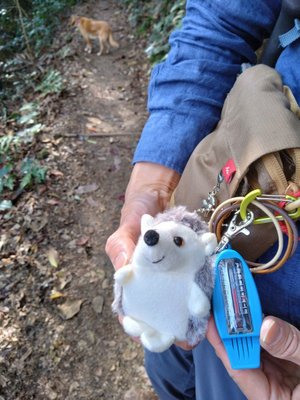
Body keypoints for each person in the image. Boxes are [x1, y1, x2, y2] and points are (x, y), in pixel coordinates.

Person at [106, 1, 300, 398]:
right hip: (213, 214)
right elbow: (220, 20)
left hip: (273, 350)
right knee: (168, 373)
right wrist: (152, 188)